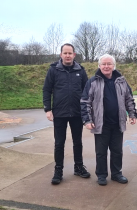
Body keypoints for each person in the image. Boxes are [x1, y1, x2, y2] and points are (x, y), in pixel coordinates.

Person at [81, 54, 137, 186]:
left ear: (114, 66)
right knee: (101, 152)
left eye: (109, 64)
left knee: (117, 151)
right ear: (99, 66)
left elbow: (129, 99)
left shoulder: (122, 81)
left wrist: (132, 114)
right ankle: (101, 175)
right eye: (104, 64)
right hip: (101, 124)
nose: (106, 66)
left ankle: (117, 173)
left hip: (118, 123)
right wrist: (87, 120)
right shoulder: (93, 82)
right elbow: (85, 101)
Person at [43, 43, 90, 185]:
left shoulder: (80, 71)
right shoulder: (53, 70)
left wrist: (86, 110)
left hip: (77, 113)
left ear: (74, 55)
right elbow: (47, 90)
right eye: (65, 53)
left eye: (70, 53)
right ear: (61, 54)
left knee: (78, 142)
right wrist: (48, 109)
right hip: (60, 113)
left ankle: (78, 167)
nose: (68, 55)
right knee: (59, 143)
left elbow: (87, 92)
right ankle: (58, 171)